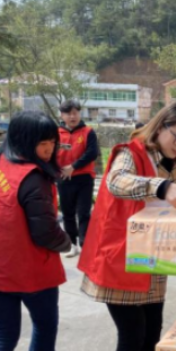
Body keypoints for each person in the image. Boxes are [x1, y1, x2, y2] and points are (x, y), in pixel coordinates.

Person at [78, 103, 176, 351]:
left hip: (152, 260)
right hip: (121, 259)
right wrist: (161, 187)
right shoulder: (129, 153)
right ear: (160, 127)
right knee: (132, 336)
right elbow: (116, 182)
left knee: (152, 333)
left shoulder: (175, 164)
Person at [0, 111, 77, 351]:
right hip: (32, 270)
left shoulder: (1, 160)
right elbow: (45, 232)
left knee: (3, 337)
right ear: (24, 139)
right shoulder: (33, 177)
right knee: (44, 324)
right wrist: (68, 242)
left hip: (1, 267)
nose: (48, 149)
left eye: (52, 142)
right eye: (42, 143)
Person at [57, 100, 99, 257]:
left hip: (84, 179)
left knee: (83, 212)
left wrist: (72, 167)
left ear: (80, 113)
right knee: (67, 213)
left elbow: (92, 153)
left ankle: (84, 244)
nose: (72, 116)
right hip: (63, 178)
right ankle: (72, 244)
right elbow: (50, 153)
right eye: (68, 113)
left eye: (75, 112)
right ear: (62, 115)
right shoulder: (56, 133)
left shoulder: (88, 132)